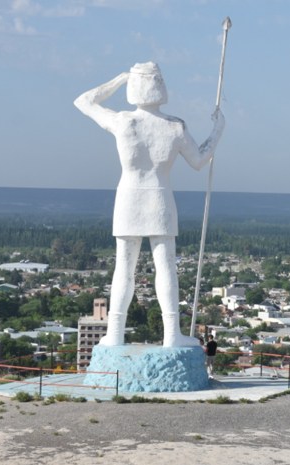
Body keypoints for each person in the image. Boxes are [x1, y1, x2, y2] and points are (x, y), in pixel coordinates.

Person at [74, 62, 225, 347]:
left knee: (124, 268)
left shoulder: (123, 121)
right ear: (160, 86)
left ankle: (116, 334)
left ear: (135, 86)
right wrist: (218, 130)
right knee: (165, 267)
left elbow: (84, 101)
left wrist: (118, 79)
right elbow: (199, 161)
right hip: (160, 197)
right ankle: (172, 336)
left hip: (128, 196)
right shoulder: (174, 126)